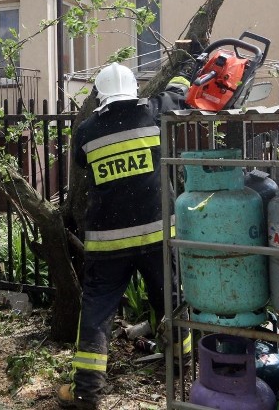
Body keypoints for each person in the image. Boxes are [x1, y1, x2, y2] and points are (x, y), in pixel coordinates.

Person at [58, 62, 189, 409]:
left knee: (98, 312)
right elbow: (179, 93)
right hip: (156, 233)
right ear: (134, 89)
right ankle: (181, 367)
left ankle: (86, 389)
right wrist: (186, 66)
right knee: (170, 300)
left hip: (108, 240)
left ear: (100, 94)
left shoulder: (86, 131)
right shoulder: (152, 111)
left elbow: (84, 166)